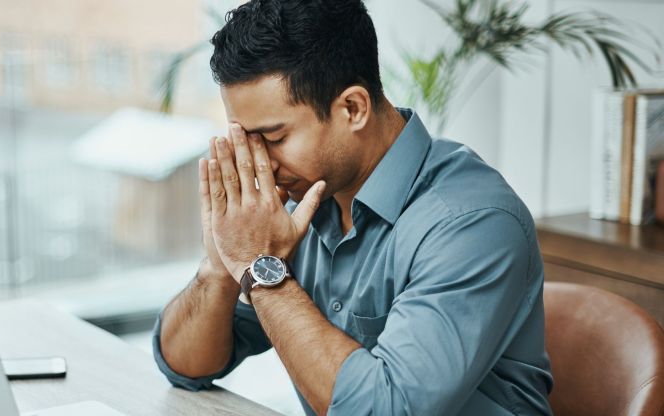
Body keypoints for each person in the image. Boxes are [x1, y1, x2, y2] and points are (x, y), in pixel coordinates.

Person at [152, 0, 554, 414]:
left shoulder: (472, 223)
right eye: (247, 140)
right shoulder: (299, 203)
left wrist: (261, 267)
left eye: (273, 137)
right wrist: (222, 263)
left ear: (353, 108)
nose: (262, 164)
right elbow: (185, 366)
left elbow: (385, 409)